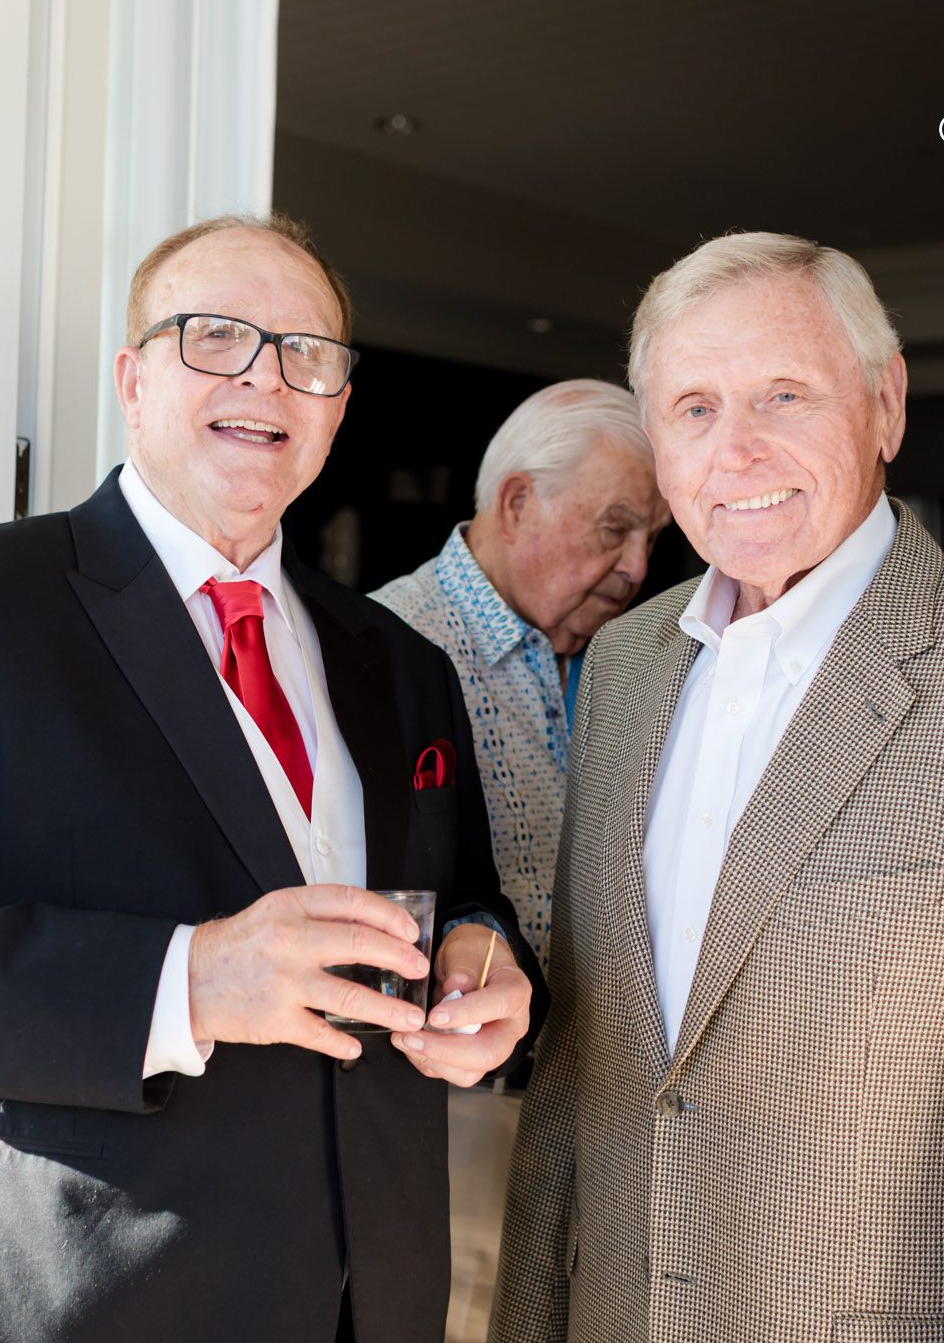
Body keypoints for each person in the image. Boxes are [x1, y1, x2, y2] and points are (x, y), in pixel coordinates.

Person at [0, 213, 542, 1343]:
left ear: (335, 408)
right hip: (74, 1299)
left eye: (306, 355)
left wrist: (484, 962)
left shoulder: (399, 659)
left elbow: (464, 897)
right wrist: (189, 979)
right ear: (133, 379)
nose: (265, 379)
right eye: (216, 336)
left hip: (371, 1298)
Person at [491, 231, 944, 1341]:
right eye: (692, 409)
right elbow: (580, 1076)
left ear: (885, 404)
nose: (733, 450)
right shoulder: (629, 664)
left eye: (782, 395)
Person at [371, 378, 667, 1343]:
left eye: (652, 537)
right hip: (455, 1118)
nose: (635, 566)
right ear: (514, 502)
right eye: (614, 527)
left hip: (608, 1115)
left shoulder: (628, 660)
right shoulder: (386, 650)